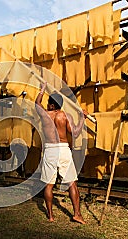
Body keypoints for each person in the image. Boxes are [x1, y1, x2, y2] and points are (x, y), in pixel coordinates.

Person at [35, 82, 87, 224]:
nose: (46, 105)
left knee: (48, 184)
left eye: (48, 103)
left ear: (51, 105)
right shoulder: (65, 116)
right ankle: (77, 214)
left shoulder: (45, 115)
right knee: (72, 183)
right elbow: (75, 133)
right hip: (63, 149)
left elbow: (36, 103)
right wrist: (82, 118)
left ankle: (51, 216)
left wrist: (42, 89)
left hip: (50, 150)